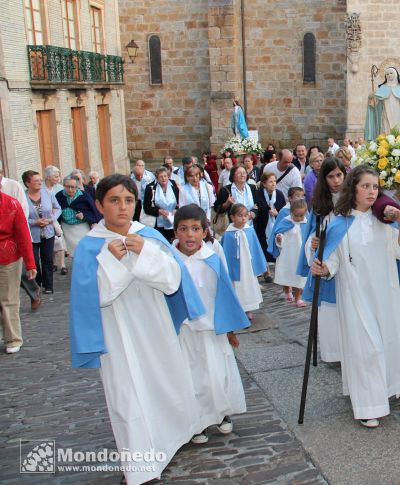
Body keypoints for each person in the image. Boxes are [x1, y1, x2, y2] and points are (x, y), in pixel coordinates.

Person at [69, 175, 205, 484]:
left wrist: (144, 252)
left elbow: (172, 281)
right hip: (118, 335)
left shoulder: (151, 237)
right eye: (114, 201)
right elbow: (95, 297)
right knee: (126, 395)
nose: (122, 207)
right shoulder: (90, 247)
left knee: (160, 386)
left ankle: (164, 444)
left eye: (128, 200)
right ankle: (139, 470)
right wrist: (114, 262)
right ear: (100, 205)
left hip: (154, 328)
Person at [310, 165, 400, 428]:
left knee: (386, 341)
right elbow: (330, 262)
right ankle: (368, 405)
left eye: (375, 187)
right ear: (353, 188)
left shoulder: (384, 222)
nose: (371, 191)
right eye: (365, 186)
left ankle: (385, 389)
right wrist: (321, 267)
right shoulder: (338, 223)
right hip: (355, 295)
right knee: (365, 347)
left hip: (385, 294)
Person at [172, 204, 249, 445]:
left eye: (195, 228)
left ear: (205, 231)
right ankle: (196, 422)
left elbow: (225, 293)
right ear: (175, 232)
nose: (190, 235)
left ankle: (222, 413)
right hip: (185, 332)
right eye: (183, 229)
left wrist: (230, 329)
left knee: (218, 374)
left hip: (212, 329)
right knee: (191, 377)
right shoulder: (169, 260)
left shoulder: (213, 258)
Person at [297, 157, 347, 363]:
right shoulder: (319, 206)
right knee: (329, 309)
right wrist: (313, 243)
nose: (336, 180)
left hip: (348, 260)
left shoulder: (353, 201)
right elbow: (310, 235)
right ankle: (333, 352)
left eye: (339, 175)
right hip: (327, 260)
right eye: (330, 176)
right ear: (324, 180)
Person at [0, 190, 37, 353]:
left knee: (8, 299)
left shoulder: (11, 203)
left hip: (8, 256)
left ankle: (13, 338)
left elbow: (23, 234)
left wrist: (30, 263)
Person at [221, 204, 267, 320]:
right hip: (235, 267)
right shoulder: (228, 234)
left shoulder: (250, 231)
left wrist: (260, 263)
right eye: (240, 216)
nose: (243, 218)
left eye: (245, 215)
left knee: (249, 285)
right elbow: (224, 252)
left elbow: (256, 248)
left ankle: (248, 309)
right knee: (236, 286)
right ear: (232, 217)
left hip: (248, 265)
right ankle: (237, 309)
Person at [23, 170, 61, 295]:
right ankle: (38, 283)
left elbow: (58, 208)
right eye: (36, 181)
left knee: (47, 259)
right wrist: (34, 222)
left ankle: (48, 285)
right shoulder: (23, 197)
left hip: (48, 232)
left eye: (40, 180)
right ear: (28, 183)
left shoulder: (47, 193)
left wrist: (51, 219)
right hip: (31, 234)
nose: (40, 183)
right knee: (34, 260)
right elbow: (20, 217)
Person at [269, 198, 308, 306]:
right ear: (291, 212)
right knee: (287, 274)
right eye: (296, 215)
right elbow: (279, 233)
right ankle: (287, 291)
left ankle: (298, 298)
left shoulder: (306, 222)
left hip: (300, 255)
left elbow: (308, 237)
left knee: (299, 277)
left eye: (302, 215)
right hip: (287, 254)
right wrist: (279, 238)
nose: (299, 218)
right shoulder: (286, 221)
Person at [364, 66, 400, 139]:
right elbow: (375, 103)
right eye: (387, 74)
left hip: (398, 113)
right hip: (386, 113)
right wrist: (372, 97)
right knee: (387, 129)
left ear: (396, 74)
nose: (389, 75)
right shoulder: (382, 88)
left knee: (399, 130)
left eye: (391, 73)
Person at [56, 175, 101, 257]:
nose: (70, 189)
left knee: (84, 249)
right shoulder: (59, 196)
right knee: (73, 252)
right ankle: (77, 267)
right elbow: (55, 210)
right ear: (64, 186)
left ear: (77, 187)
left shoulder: (84, 196)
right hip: (67, 228)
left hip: (81, 227)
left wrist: (84, 215)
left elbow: (94, 210)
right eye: (67, 187)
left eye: (72, 187)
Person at [253, 171, 287, 263]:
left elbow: (284, 212)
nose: (273, 184)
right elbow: (256, 209)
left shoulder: (279, 194)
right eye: (270, 182)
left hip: (276, 226)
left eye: (275, 181)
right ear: (264, 183)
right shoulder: (258, 194)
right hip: (262, 227)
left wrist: (277, 213)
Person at [213, 165, 257, 235]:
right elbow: (216, 208)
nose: (242, 175)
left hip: (250, 226)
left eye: (244, 173)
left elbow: (257, 204)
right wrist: (227, 203)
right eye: (239, 173)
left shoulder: (252, 188)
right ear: (233, 176)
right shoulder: (226, 190)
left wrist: (254, 212)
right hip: (232, 228)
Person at [142, 167, 179, 242]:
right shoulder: (150, 188)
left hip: (173, 220)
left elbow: (180, 202)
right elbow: (146, 207)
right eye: (161, 177)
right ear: (157, 178)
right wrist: (159, 211)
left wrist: (176, 210)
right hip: (158, 223)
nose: (164, 178)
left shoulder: (173, 185)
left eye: (165, 176)